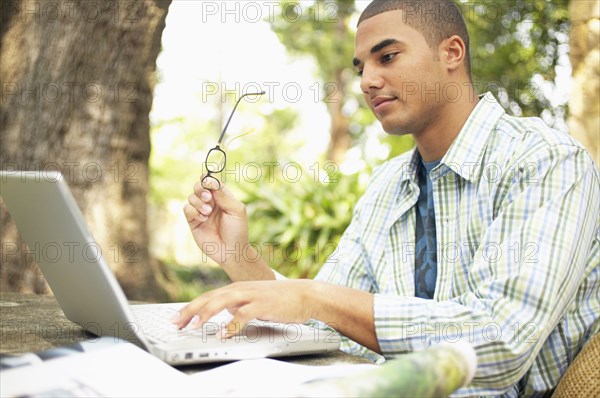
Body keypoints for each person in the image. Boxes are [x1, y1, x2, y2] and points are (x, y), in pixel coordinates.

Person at [176, 0, 600, 396]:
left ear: (452, 52)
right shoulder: (388, 185)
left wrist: (317, 299)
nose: (367, 81)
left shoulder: (545, 161)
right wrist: (238, 256)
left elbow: (503, 341)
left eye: (388, 57)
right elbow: (328, 320)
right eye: (360, 67)